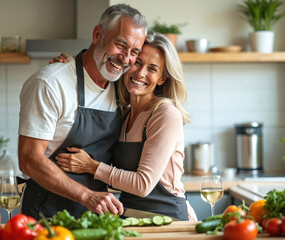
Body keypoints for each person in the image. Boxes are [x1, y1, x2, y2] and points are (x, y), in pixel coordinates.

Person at [18, 3, 147, 220]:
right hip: (47, 217)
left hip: (97, 217)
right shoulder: (51, 83)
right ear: (98, 34)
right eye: (120, 45)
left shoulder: (122, 88)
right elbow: (29, 158)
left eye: (134, 52)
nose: (125, 59)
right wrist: (87, 196)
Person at [52, 32, 198, 221]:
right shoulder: (124, 113)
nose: (140, 73)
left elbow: (143, 184)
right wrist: (68, 69)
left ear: (162, 79)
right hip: (130, 218)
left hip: (167, 220)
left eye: (152, 69)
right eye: (138, 62)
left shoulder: (165, 114)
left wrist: (91, 166)